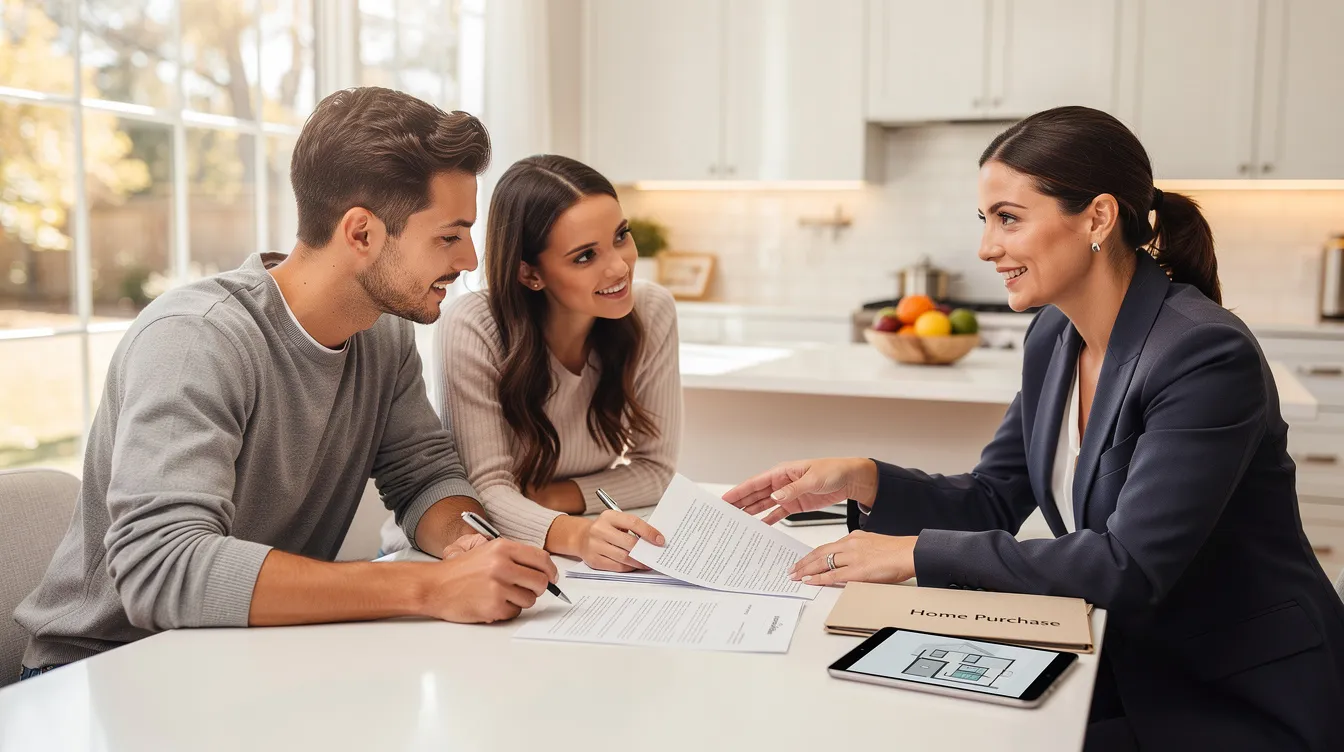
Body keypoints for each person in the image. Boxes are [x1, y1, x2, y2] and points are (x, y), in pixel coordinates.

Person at [725, 107, 1344, 750]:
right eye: (986, 220)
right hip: (1124, 660)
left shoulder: (1204, 354)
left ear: (1098, 218)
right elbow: (995, 496)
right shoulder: (1055, 335)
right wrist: (868, 479)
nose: (988, 248)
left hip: (1229, 694)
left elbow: (1127, 566)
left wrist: (911, 552)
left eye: (1009, 218)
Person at [14, 87, 559, 680]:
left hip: (244, 658)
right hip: (104, 675)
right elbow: (161, 571)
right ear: (361, 233)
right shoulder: (196, 340)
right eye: (450, 236)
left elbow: (425, 476)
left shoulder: (383, 337)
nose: (472, 260)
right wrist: (428, 586)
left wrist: (465, 542)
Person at [380, 155, 681, 571]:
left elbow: (657, 472)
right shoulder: (475, 327)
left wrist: (553, 496)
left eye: (620, 236)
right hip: (439, 553)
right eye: (584, 256)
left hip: (561, 533)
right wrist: (576, 534)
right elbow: (483, 494)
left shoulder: (652, 311)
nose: (619, 266)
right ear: (529, 274)